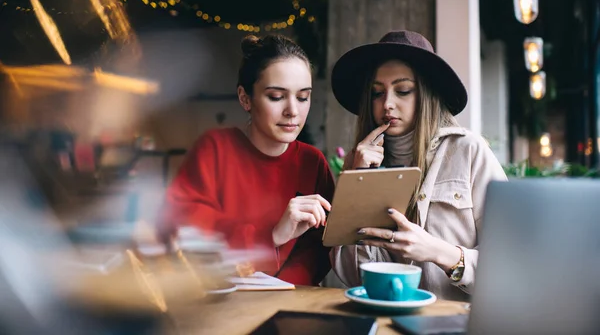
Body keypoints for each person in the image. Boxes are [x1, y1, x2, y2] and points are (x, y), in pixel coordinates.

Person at [329, 30, 507, 301]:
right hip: (384, 323)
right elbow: (352, 275)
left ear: (426, 94)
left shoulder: (469, 151)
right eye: (377, 93)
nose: (387, 104)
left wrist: (438, 252)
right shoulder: (360, 161)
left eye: (403, 91)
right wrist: (357, 180)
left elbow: (511, 262)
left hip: (454, 325)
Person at [157, 34, 334, 286]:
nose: (293, 110)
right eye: (276, 96)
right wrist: (271, 236)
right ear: (245, 98)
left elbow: (319, 249)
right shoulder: (214, 151)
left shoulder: (312, 162)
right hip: (216, 302)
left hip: (289, 301)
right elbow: (184, 236)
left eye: (303, 97)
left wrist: (279, 289)